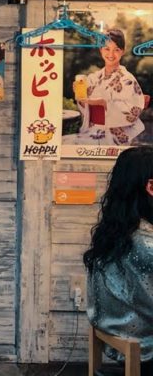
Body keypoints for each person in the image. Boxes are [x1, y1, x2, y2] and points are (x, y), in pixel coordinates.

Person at [83, 146, 153, 374]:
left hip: (116, 333)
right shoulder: (144, 243)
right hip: (144, 347)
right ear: (151, 187)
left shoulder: (116, 231)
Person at [77, 29, 146, 146]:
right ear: (100, 50)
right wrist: (80, 98)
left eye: (116, 50)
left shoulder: (127, 79)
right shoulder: (93, 78)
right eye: (107, 49)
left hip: (115, 134)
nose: (110, 54)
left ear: (123, 51)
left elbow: (135, 108)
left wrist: (104, 103)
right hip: (92, 131)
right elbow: (85, 108)